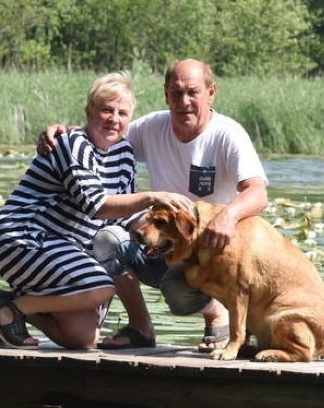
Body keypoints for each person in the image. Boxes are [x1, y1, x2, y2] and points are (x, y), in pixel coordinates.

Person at [38, 59, 268, 351]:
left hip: (211, 255)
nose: (183, 102)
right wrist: (63, 133)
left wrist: (227, 216)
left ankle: (218, 313)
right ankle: (140, 327)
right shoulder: (152, 127)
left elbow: (258, 193)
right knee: (108, 240)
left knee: (177, 292)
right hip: (165, 245)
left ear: (211, 93)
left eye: (193, 92)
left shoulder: (228, 134)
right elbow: (108, 130)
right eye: (176, 93)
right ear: (165, 94)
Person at [0, 71, 194, 350]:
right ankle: (12, 306)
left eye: (122, 113)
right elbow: (96, 206)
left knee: (82, 338)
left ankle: (14, 311)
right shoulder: (73, 145)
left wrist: (174, 236)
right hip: (23, 237)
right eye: (106, 110)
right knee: (101, 287)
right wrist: (153, 197)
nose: (114, 119)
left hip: (64, 250)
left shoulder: (124, 152)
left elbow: (125, 215)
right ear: (89, 111)